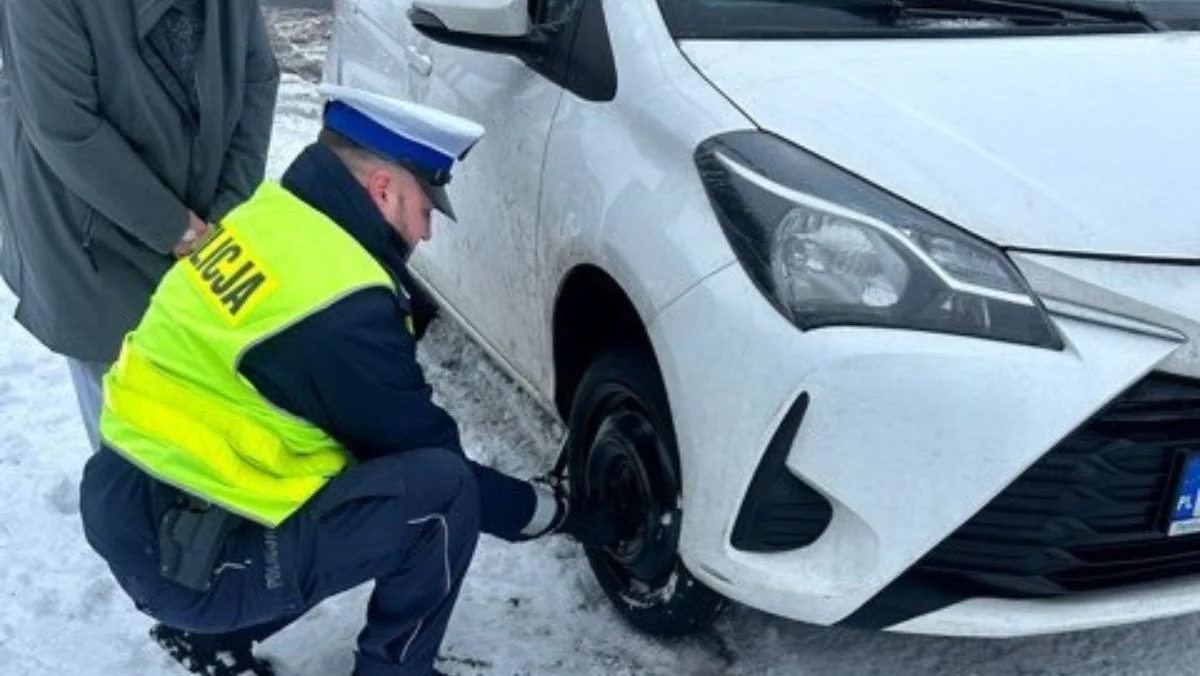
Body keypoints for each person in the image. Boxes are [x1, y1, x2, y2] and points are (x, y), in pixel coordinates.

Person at [76, 85, 617, 676]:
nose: (427, 232)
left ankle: (206, 640)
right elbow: (440, 469)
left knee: (348, 476)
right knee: (438, 496)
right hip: (191, 559)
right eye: (424, 209)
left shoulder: (272, 216)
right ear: (383, 189)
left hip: (138, 501)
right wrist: (562, 512)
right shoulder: (339, 310)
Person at [0, 0, 281, 451]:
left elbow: (257, 79)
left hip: (206, 226)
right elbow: (65, 126)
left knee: (210, 424)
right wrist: (174, 227)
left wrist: (225, 211)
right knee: (129, 442)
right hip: (89, 237)